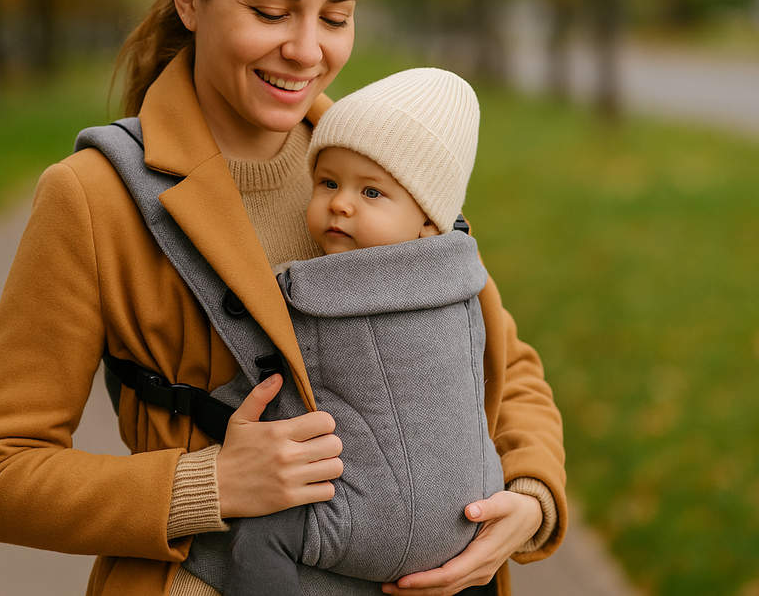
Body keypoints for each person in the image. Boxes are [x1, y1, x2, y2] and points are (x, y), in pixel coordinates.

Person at [0, 0, 567, 595]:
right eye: (272, 11)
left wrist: (531, 497)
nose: (308, 50)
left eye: (335, 16)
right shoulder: (93, 196)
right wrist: (208, 482)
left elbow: (501, 359)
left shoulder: (380, 164)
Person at [220, 67, 558, 596]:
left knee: (260, 539)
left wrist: (534, 497)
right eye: (327, 182)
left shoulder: (311, 292)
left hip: (364, 522)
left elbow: (510, 367)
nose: (340, 203)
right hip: (464, 519)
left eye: (371, 192)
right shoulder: (457, 271)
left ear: (429, 221)